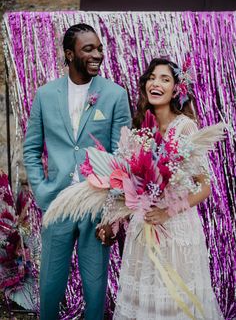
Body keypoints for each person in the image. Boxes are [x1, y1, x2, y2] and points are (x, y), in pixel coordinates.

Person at [23, 23, 131, 320]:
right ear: (69, 54)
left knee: (95, 288)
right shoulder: (45, 95)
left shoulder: (114, 95)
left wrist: (112, 211)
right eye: (88, 49)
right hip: (56, 204)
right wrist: (43, 192)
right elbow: (31, 150)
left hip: (96, 205)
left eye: (99, 49)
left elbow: (122, 157)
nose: (97, 54)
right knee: (50, 286)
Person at [112, 58, 223, 320]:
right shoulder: (142, 129)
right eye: (152, 77)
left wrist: (166, 212)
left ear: (177, 89)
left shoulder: (185, 127)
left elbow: (204, 187)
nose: (156, 83)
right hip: (145, 227)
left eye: (165, 78)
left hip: (175, 230)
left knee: (175, 301)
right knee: (146, 302)